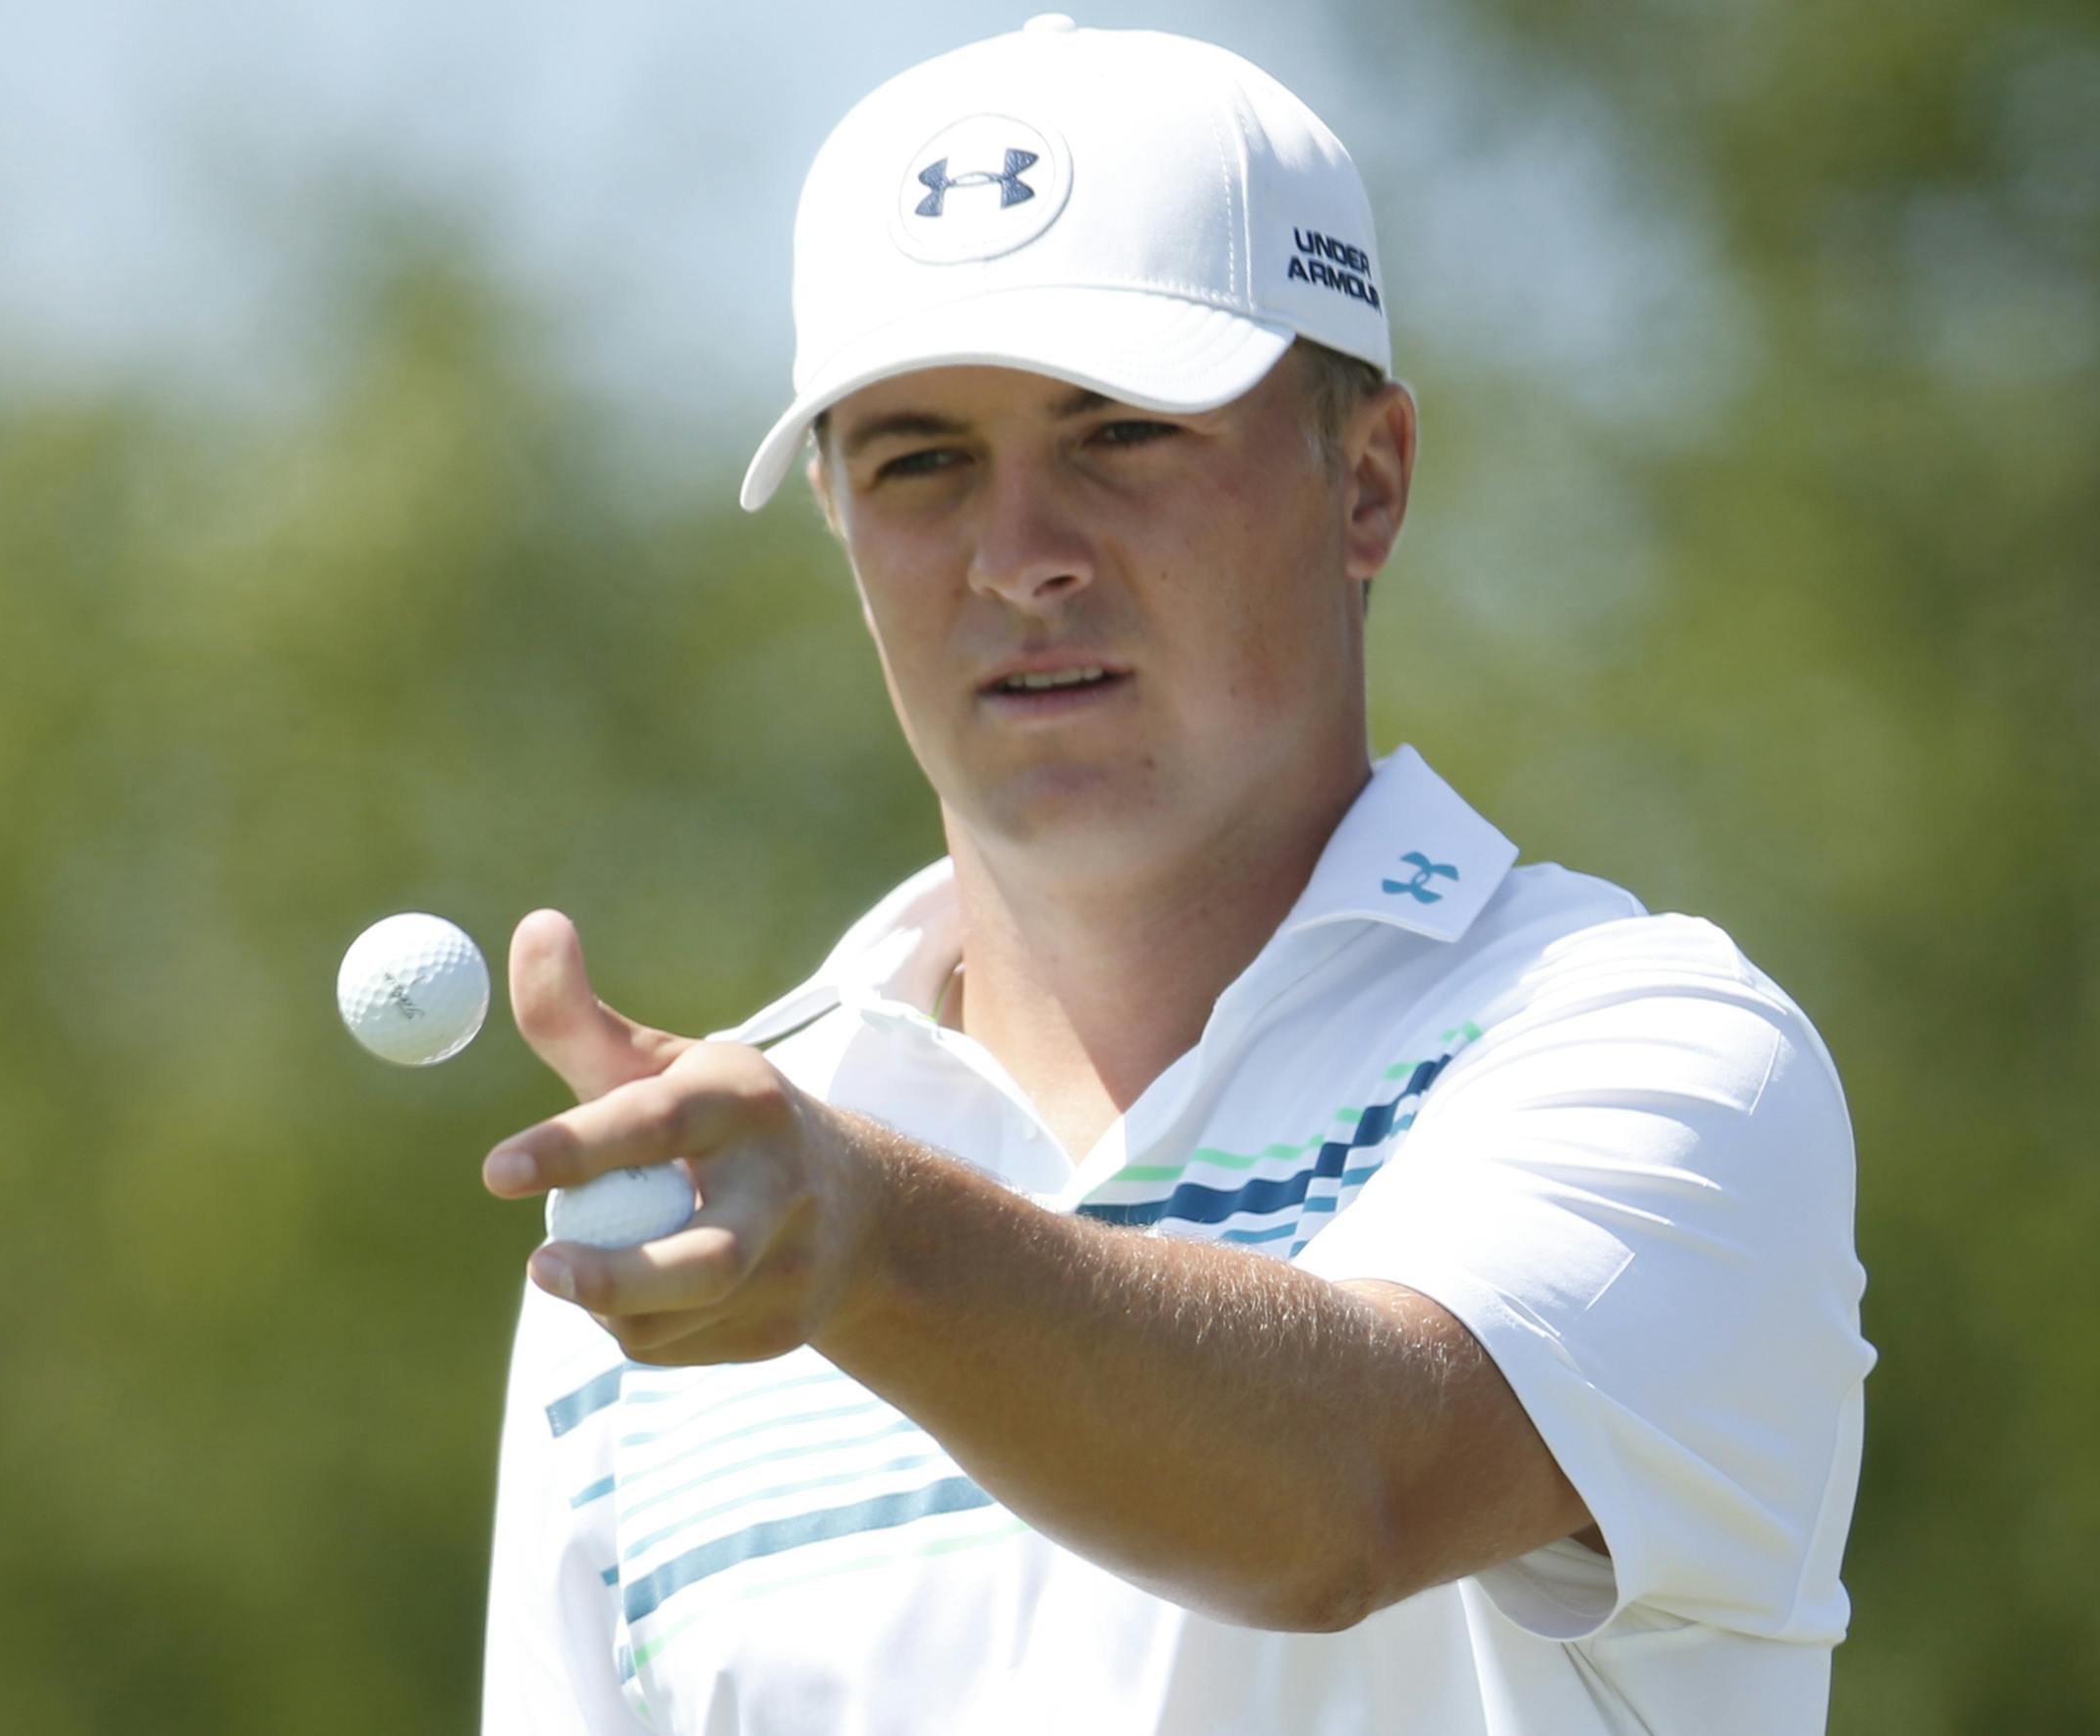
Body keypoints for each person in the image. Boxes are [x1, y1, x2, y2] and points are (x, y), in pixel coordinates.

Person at [480, 18, 1874, 1735]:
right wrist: (833, 1222)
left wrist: (875, 1246)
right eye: (922, 461)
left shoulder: (1645, 1045)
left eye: (1121, 434)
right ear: (842, 528)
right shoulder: (697, 1222)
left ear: (1364, 482)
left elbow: (1348, 1497)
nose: (1020, 557)